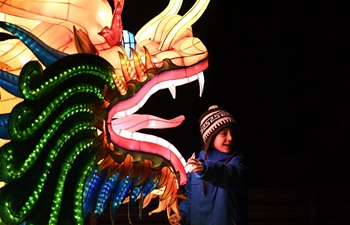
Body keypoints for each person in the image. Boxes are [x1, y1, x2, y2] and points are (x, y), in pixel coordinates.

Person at [169, 105, 248, 225]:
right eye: (224, 133)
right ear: (210, 137)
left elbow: (231, 174)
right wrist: (181, 215)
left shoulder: (237, 162)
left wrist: (206, 169)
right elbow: (190, 198)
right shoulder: (196, 166)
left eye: (232, 133)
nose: (230, 138)